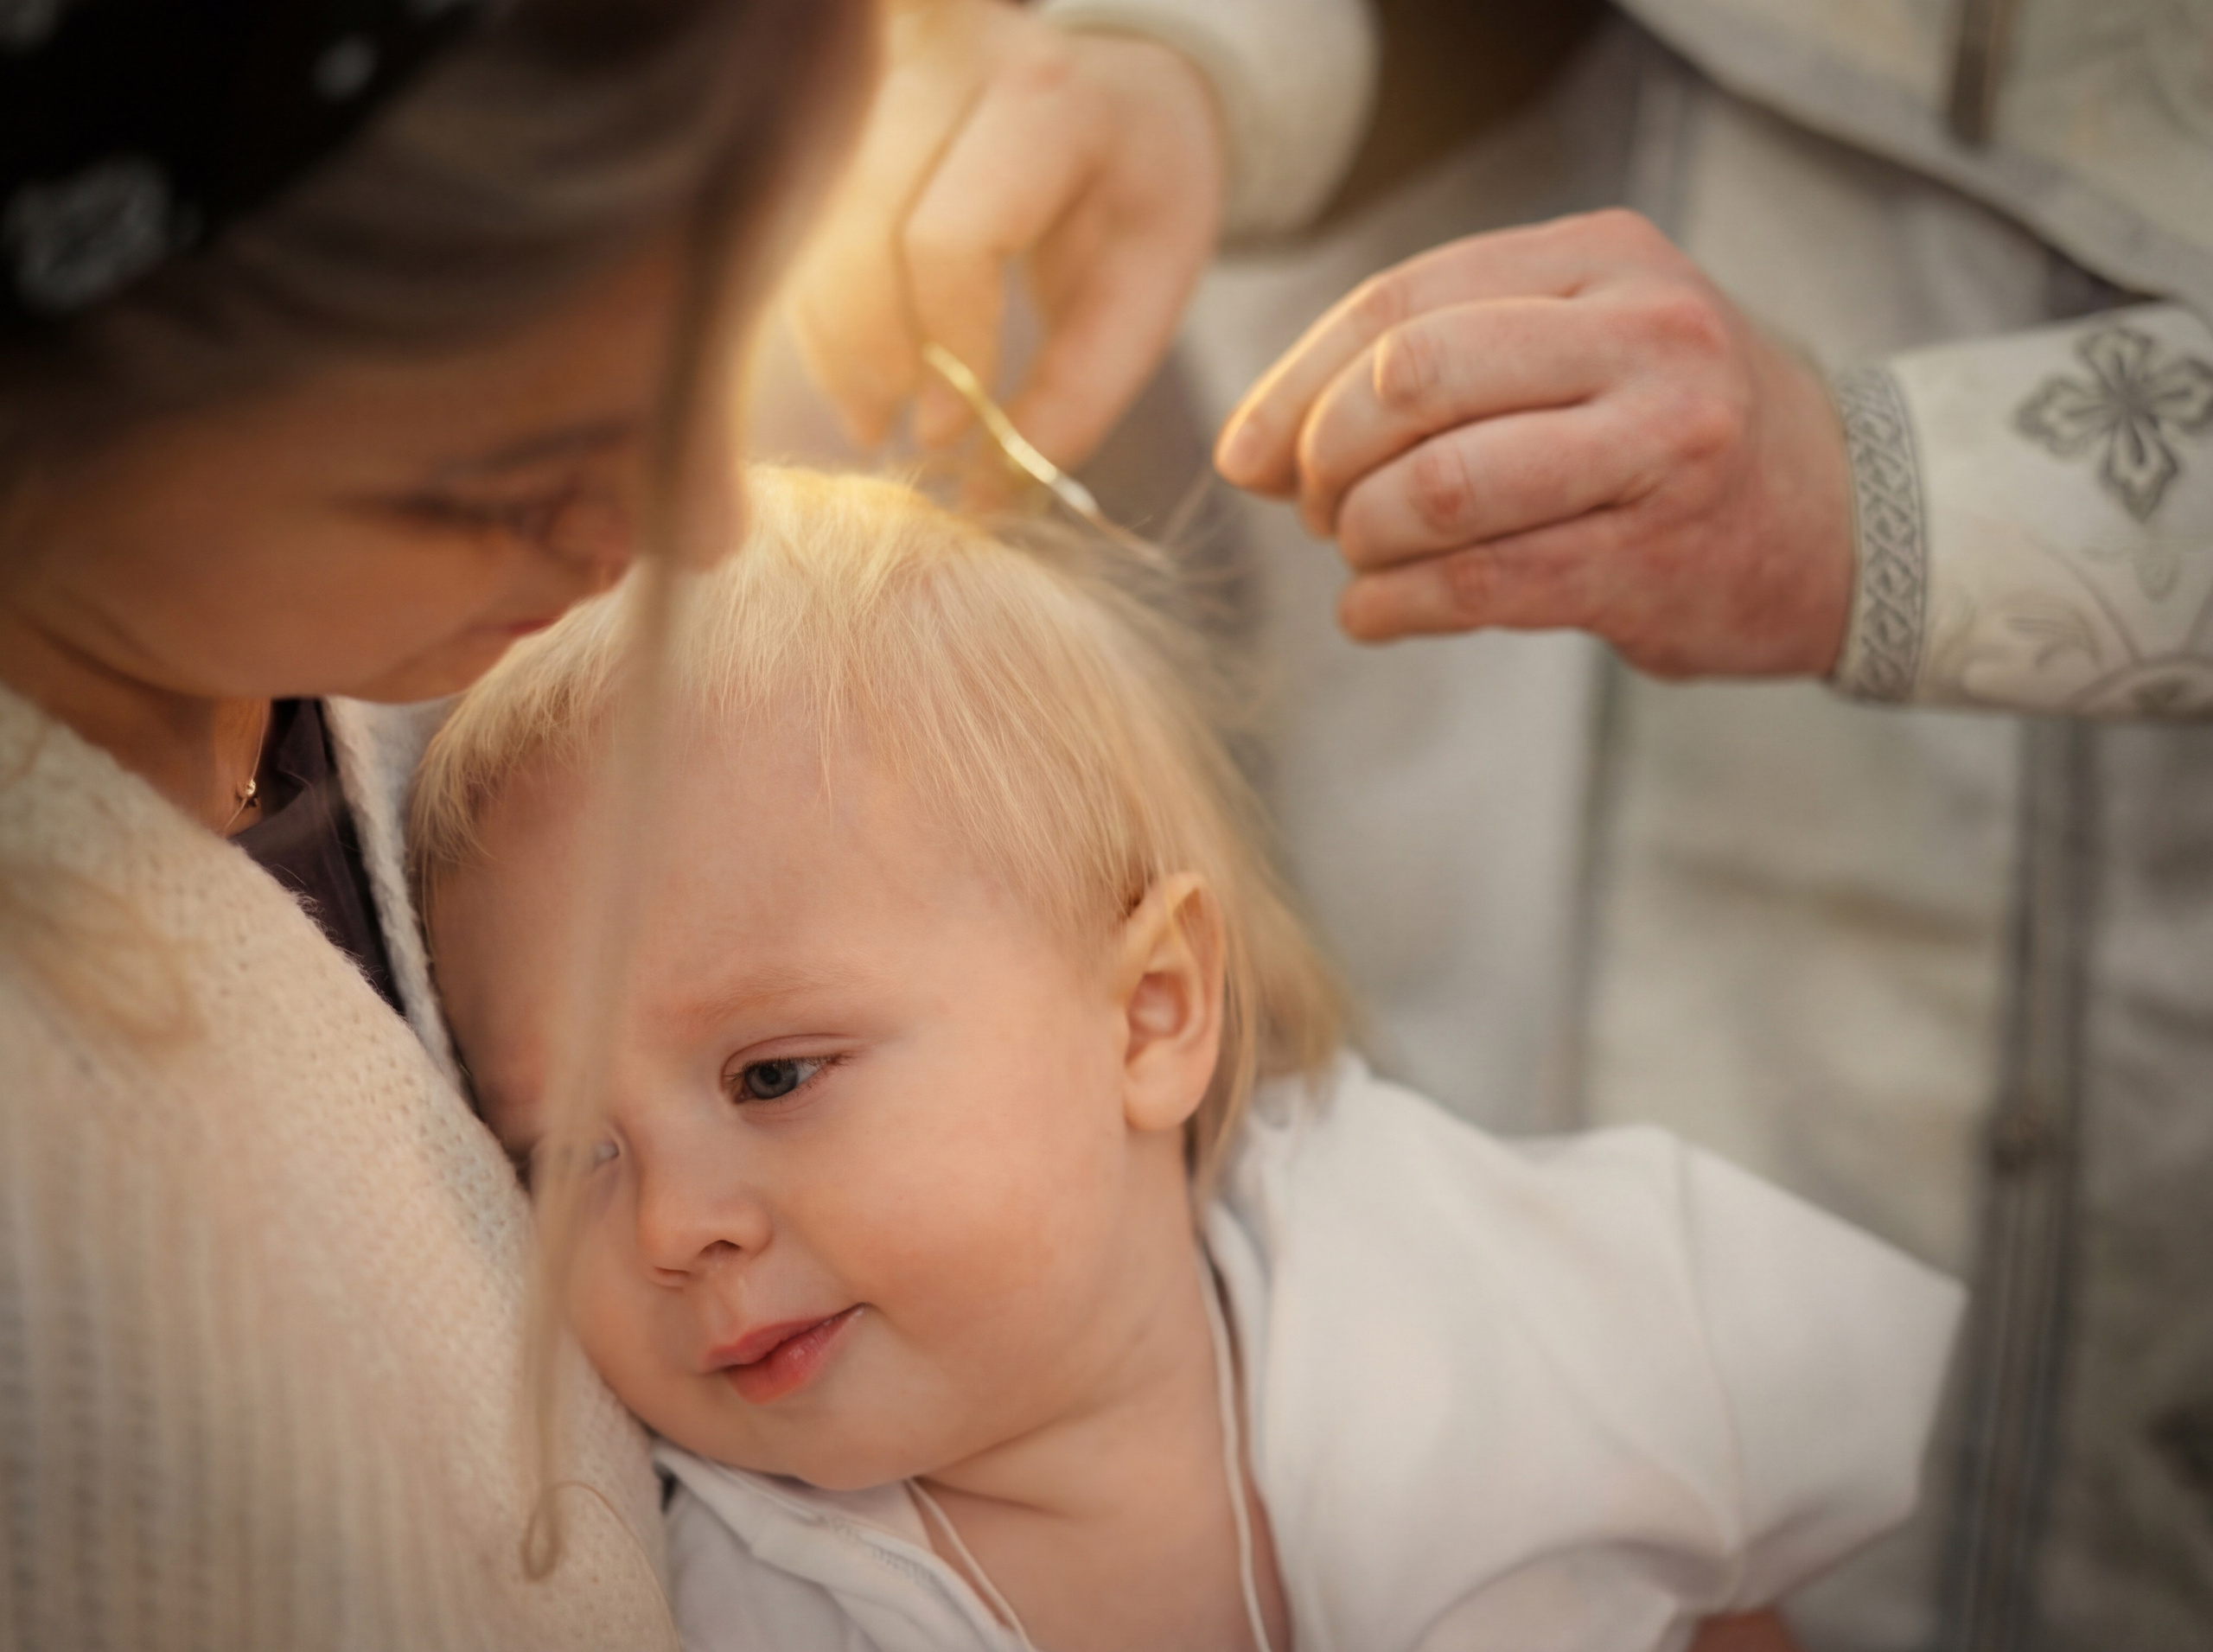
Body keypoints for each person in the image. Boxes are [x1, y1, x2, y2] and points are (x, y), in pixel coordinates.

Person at [409, 465, 1962, 1652]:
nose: (677, 1227)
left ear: (1149, 1012)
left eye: (772, 1077)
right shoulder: (746, 1598)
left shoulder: (1487, 1277)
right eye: (564, 1160)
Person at [0, 2, 867, 1645]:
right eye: (502, 485)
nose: (702, 519)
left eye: (725, 344)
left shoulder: (392, 671)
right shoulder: (57, 1262)